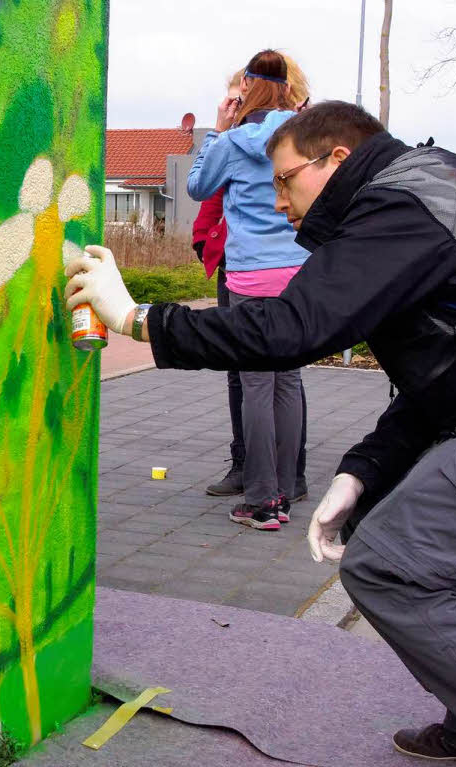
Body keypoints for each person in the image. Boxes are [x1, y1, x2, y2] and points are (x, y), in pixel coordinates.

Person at [66, 100, 456, 761]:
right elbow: (445, 379)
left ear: (338, 158)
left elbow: (289, 329)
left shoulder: (402, 207)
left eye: (285, 179)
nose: (277, 200)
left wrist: (139, 319)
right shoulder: (425, 188)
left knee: (387, 565)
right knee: (407, 542)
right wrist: (363, 469)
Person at [185, 50, 309, 530]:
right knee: (289, 380)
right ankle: (285, 489)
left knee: (256, 384)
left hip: (251, 277)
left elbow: (198, 187)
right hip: (298, 274)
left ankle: (262, 502)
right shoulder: (303, 134)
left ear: (246, 90)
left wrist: (219, 126)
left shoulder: (236, 139)